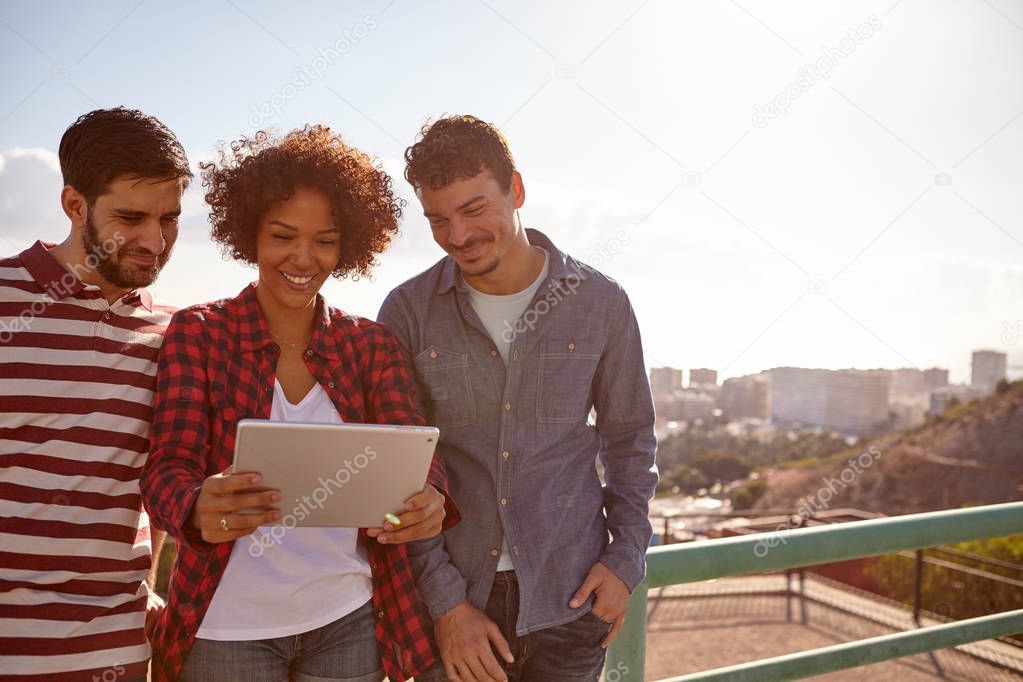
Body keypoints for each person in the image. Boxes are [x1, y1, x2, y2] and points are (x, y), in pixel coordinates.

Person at [139, 125, 457, 682]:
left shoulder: (369, 345)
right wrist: (194, 504)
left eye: (326, 240)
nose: (304, 258)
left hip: (349, 619)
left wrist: (431, 495)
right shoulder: (200, 332)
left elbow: (415, 449)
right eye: (283, 235)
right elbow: (166, 466)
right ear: (250, 234)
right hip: (225, 628)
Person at [378, 115, 658, 682]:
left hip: (571, 603)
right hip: (456, 610)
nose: (457, 235)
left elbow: (631, 441)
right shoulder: (407, 312)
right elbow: (397, 474)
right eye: (438, 219)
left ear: (518, 190)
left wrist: (625, 561)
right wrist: (446, 606)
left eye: (474, 209)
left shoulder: (601, 303)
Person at [0, 107, 190, 681]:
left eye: (170, 218)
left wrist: (153, 585)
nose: (155, 241)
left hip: (116, 647)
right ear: (74, 205)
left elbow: (161, 472)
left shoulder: (172, 333)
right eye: (131, 218)